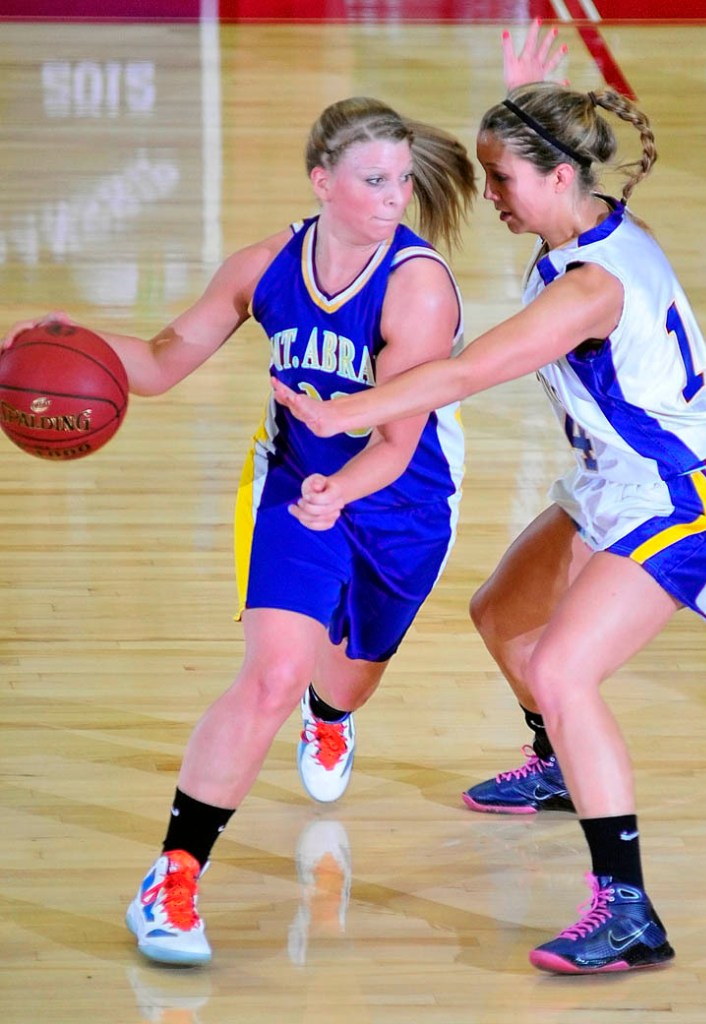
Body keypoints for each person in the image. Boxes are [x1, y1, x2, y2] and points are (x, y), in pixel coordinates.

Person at [272, 54, 706, 975]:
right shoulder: (591, 229)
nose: (490, 193)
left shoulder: (587, 288)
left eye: (503, 177)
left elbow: (461, 372)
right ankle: (561, 771)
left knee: (566, 669)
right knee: (502, 617)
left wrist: (342, 412)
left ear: (559, 176)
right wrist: (513, 102)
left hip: (677, 494)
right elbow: (535, 160)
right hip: (614, 480)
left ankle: (628, 908)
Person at [3, 96, 477, 965]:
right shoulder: (263, 268)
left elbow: (397, 439)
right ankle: (172, 879)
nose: (393, 199)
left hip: (400, 498)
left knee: (343, 678)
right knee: (270, 676)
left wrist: (346, 485)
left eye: (402, 182)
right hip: (297, 490)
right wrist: (44, 338)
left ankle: (329, 713)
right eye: (374, 181)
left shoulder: (416, 286)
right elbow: (151, 365)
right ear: (320, 182)